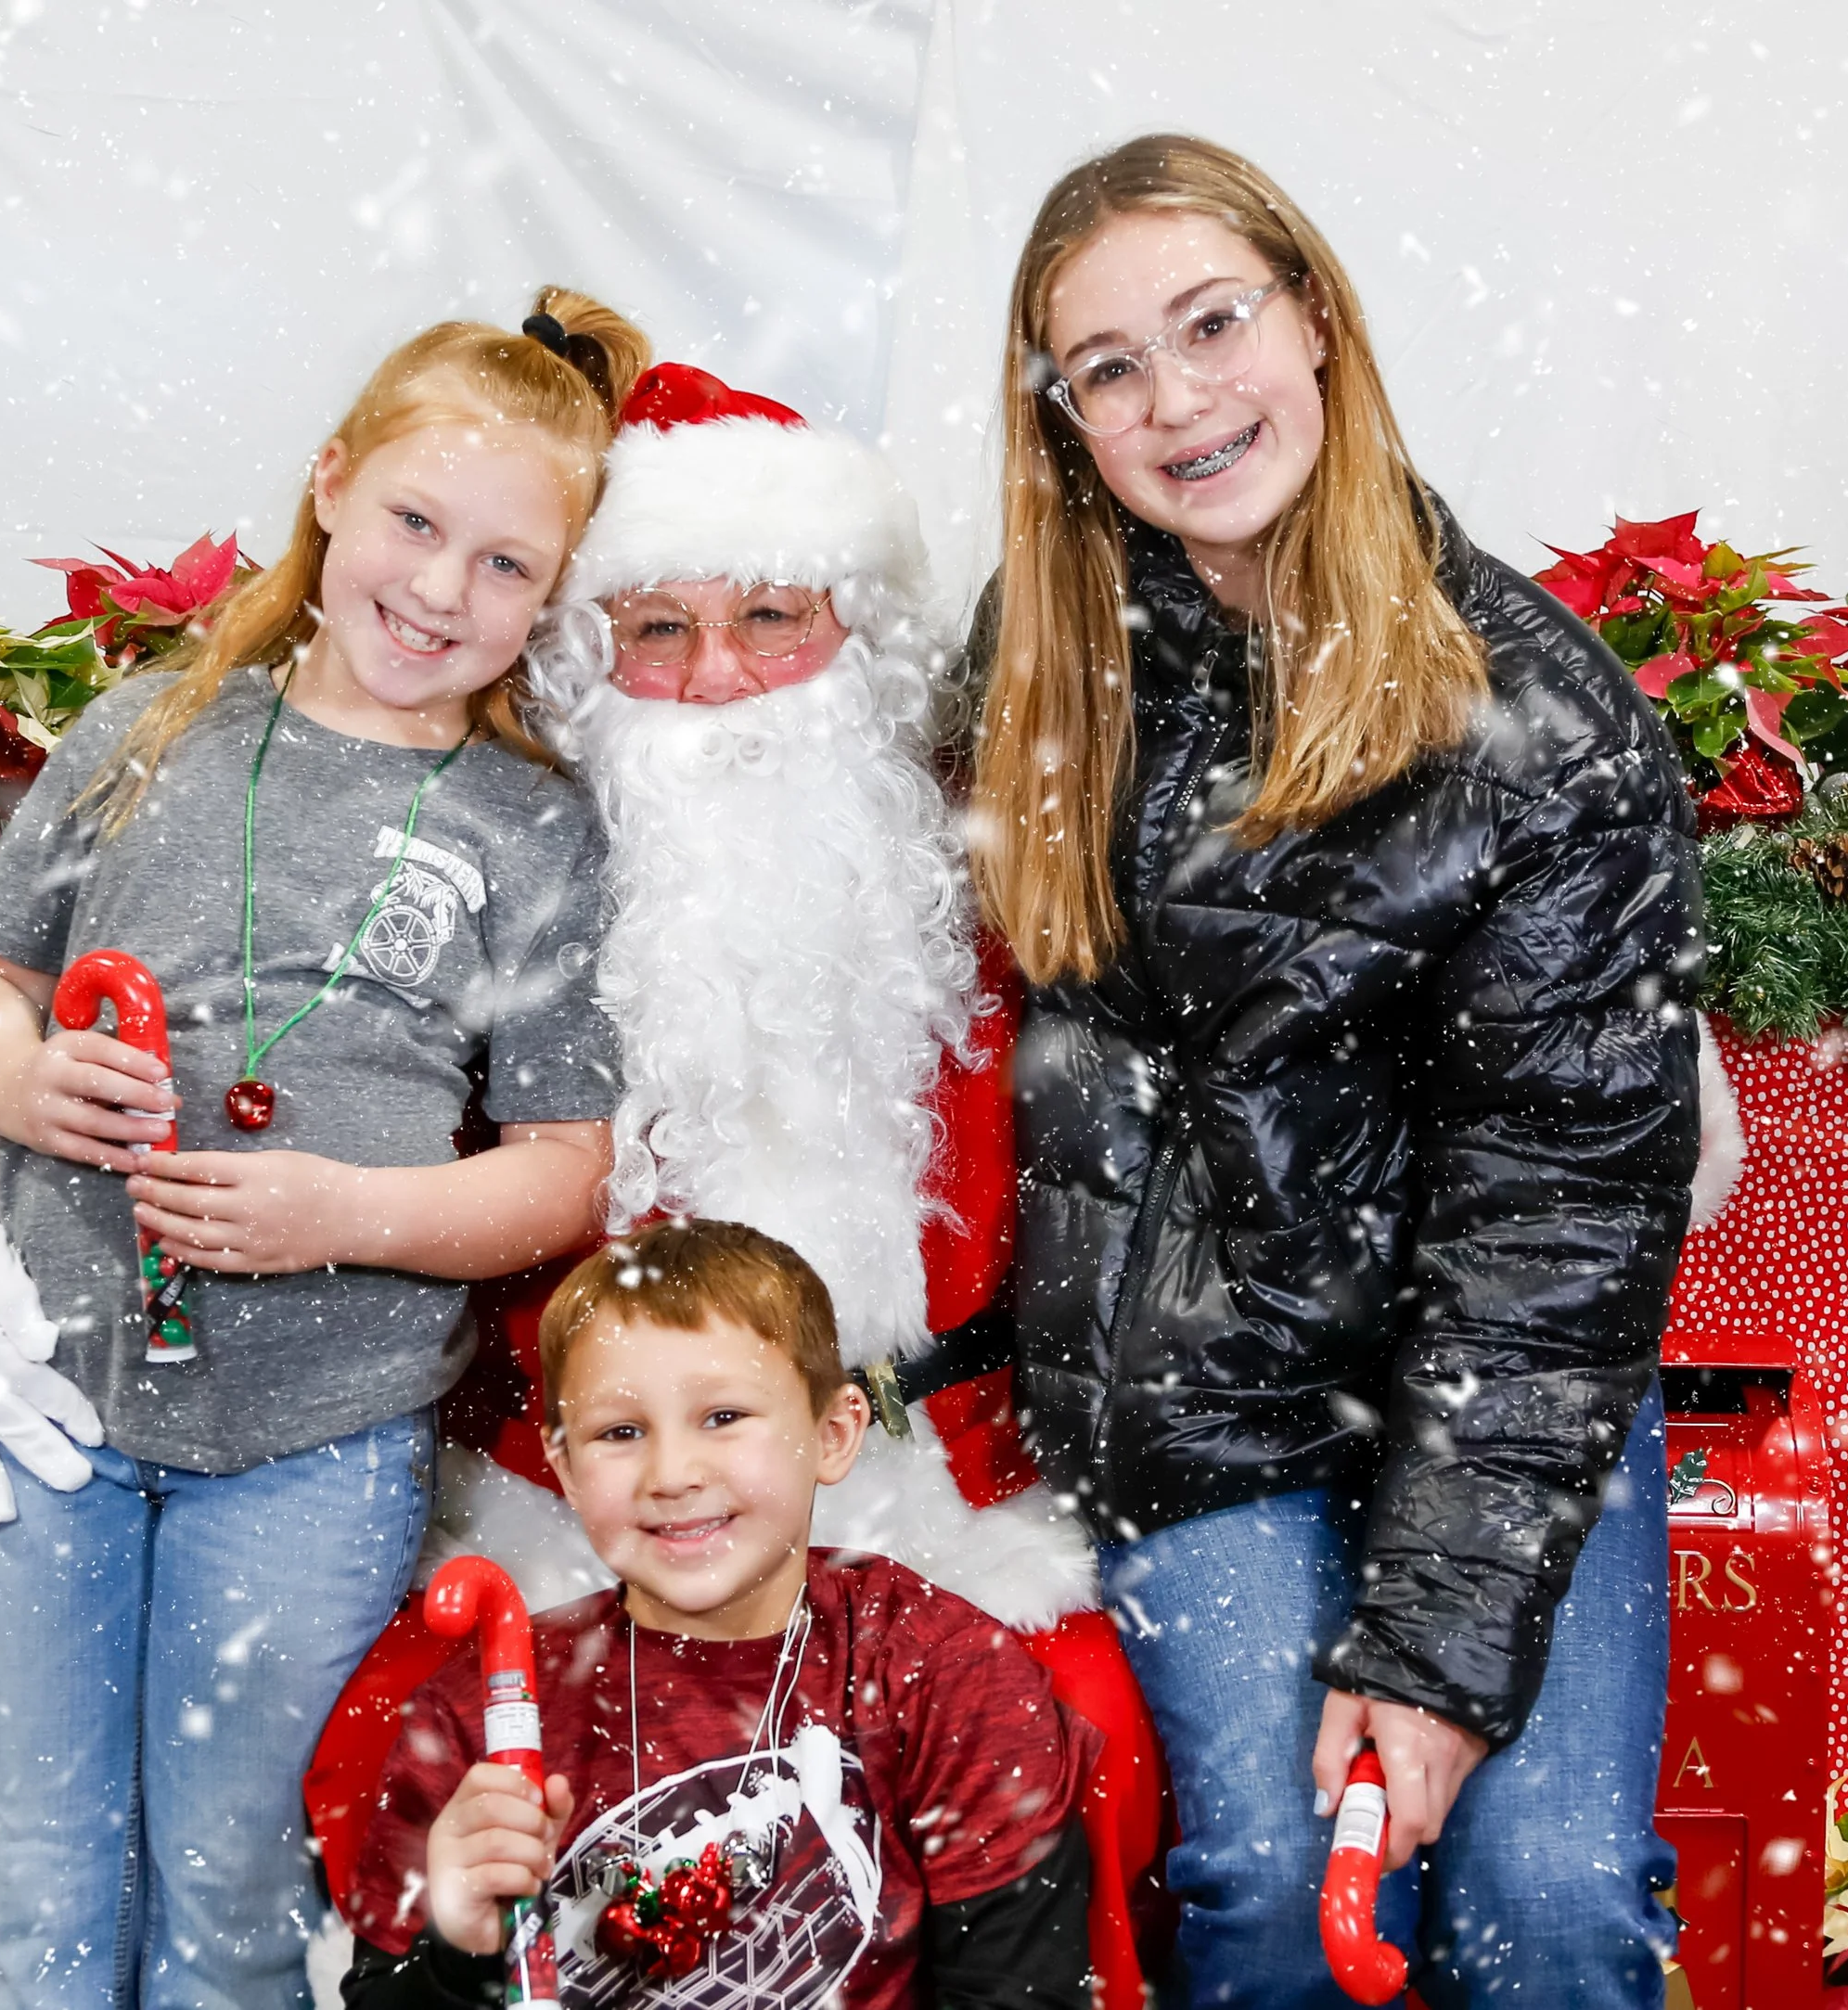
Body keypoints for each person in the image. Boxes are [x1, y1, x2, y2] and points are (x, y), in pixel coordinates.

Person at [305, 362, 1164, 2004]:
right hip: (588, 1508)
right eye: (655, 630)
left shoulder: (997, 906)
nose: (715, 683)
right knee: (418, 1769)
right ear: (587, 662)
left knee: (1082, 1729)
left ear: (862, 646)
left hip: (932, 1501)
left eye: (775, 620)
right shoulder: (493, 907)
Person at [965, 134, 1701, 2006]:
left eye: (1210, 323)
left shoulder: (1545, 732)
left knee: (1542, 1907)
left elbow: (1549, 1230)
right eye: (1108, 366)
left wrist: (1433, 1646)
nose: (1178, 397)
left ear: (1312, 319)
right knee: (1285, 1893)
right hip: (1193, 1393)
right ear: (1063, 422)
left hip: (1495, 1372)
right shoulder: (1046, 662)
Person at [0, 293, 649, 2009]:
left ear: (553, 598)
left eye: (507, 566)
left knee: (235, 1907)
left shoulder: (534, 831)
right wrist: (14, 1087)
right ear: (330, 486)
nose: (444, 590)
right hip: (50, 1407)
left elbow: (564, 1165)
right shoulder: (156, 729)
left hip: (314, 1446)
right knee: (38, 1889)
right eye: (416, 523)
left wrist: (343, 1210)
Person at [341, 1217, 1097, 2010]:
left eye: (724, 1416)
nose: (672, 1473)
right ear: (564, 1465)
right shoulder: (482, 1714)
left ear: (833, 1432)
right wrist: (454, 1952)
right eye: (621, 1431)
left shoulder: (942, 1669)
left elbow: (1022, 1993)